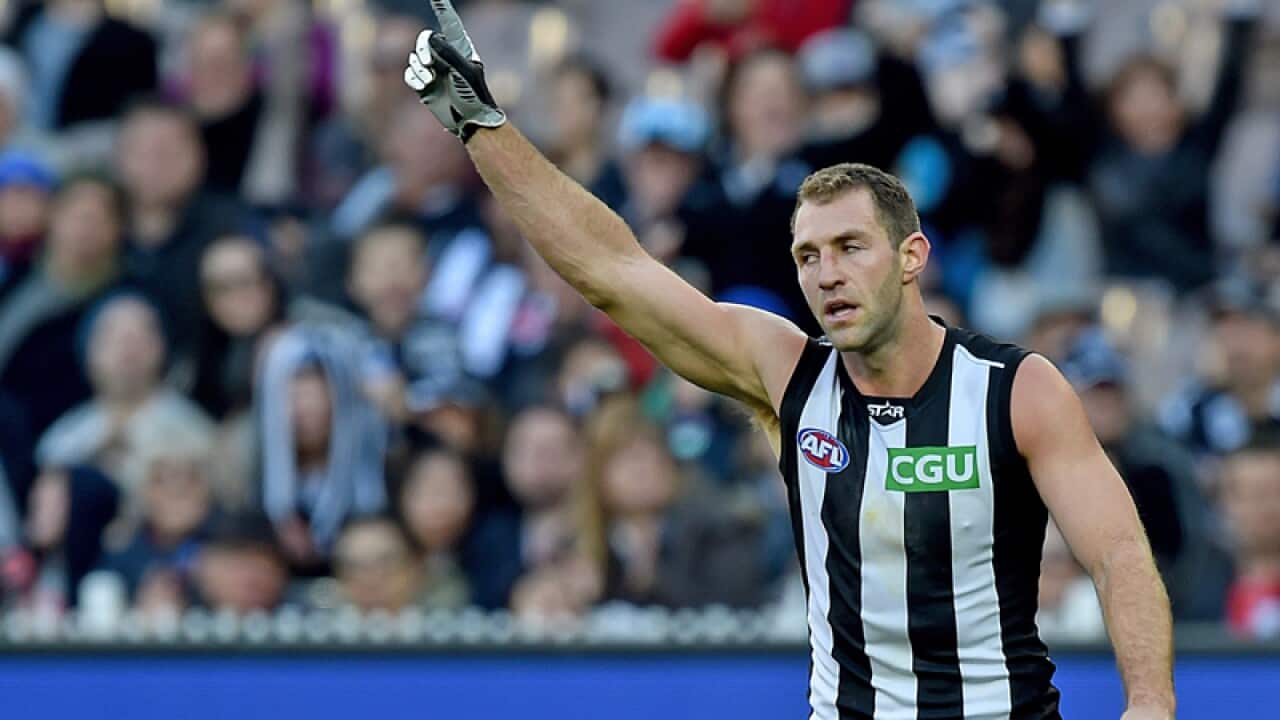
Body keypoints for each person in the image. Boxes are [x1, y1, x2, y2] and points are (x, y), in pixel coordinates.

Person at [403, 5, 1174, 718]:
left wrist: (1149, 704)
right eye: (808, 255)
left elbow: (1117, 553)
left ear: (912, 257)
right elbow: (614, 271)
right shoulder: (787, 373)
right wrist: (483, 128)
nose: (826, 273)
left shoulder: (1016, 390)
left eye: (850, 247)